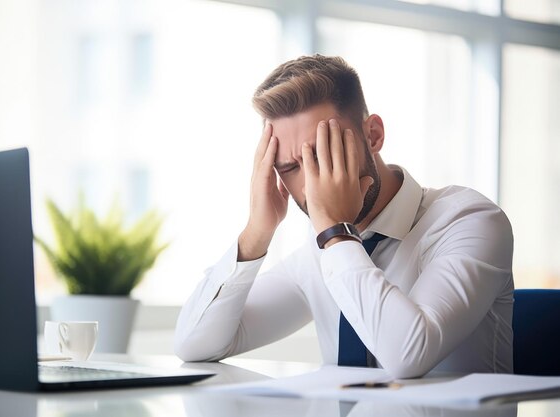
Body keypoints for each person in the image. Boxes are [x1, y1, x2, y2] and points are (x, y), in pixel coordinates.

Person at [173, 55, 514, 378]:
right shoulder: (321, 252)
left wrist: (336, 232)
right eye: (290, 168)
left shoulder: (470, 221)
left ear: (373, 136)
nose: (309, 186)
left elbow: (408, 356)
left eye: (323, 153)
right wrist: (256, 233)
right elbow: (194, 344)